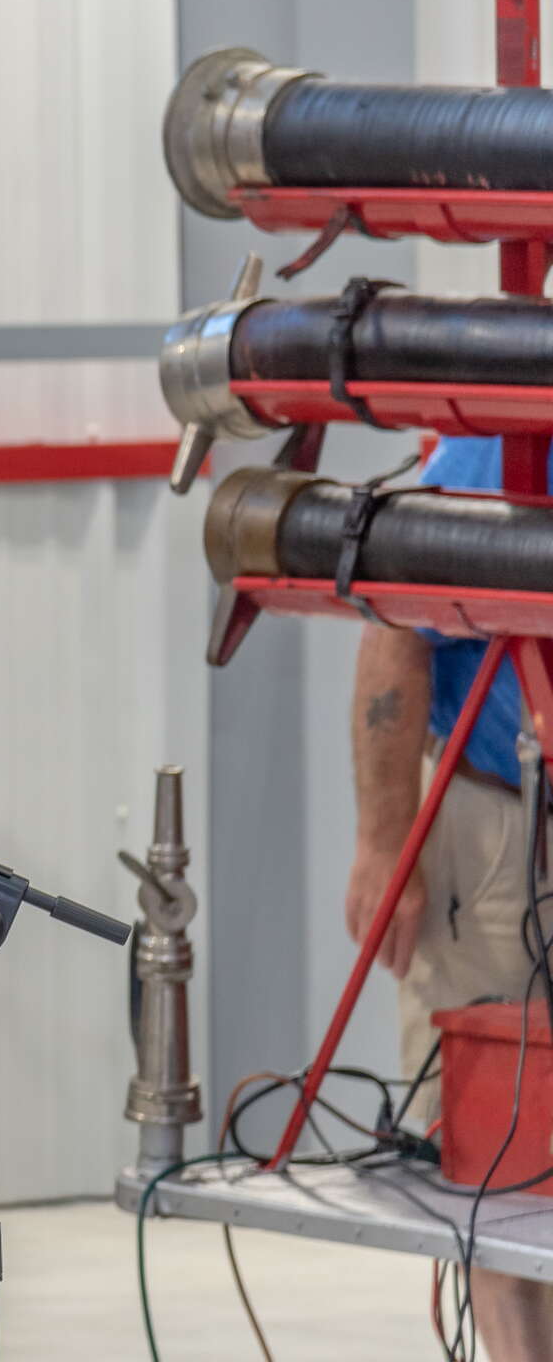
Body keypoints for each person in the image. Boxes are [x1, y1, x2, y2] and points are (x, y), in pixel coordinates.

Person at [349, 433, 553, 1357]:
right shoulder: (493, 441)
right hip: (496, 824)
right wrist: (388, 844)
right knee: (494, 1153)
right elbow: (398, 627)